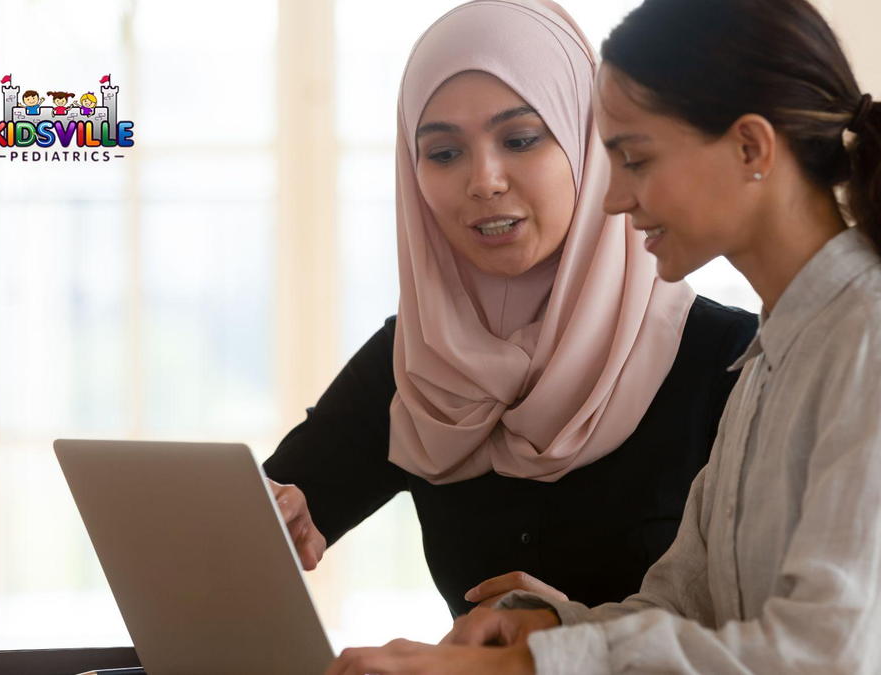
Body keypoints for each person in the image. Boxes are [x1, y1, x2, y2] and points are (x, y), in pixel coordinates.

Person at [325, 0, 881, 673]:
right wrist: (545, 624)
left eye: (635, 158)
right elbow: (685, 602)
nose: (616, 198)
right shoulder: (770, 355)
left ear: (752, 148)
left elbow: (822, 657)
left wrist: (532, 666)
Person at [262, 0, 755, 620]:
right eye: (443, 153)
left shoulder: (733, 363)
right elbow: (274, 511)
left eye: (520, 139)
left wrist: (571, 636)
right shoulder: (418, 360)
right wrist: (271, 516)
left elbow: (773, 633)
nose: (483, 180)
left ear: (590, 143)